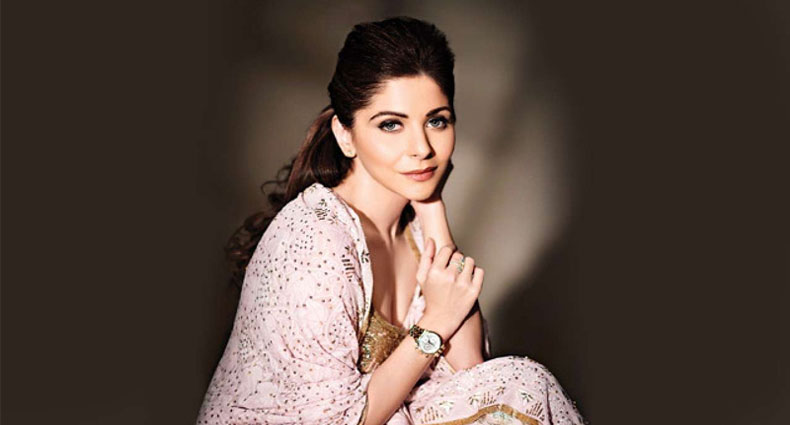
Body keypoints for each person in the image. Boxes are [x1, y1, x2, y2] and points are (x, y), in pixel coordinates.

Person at [196, 16, 586, 425]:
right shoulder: (314, 238)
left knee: (524, 382)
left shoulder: (415, 232)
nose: (421, 148)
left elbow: (477, 380)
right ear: (346, 135)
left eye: (436, 121)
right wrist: (435, 322)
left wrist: (433, 211)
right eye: (391, 125)